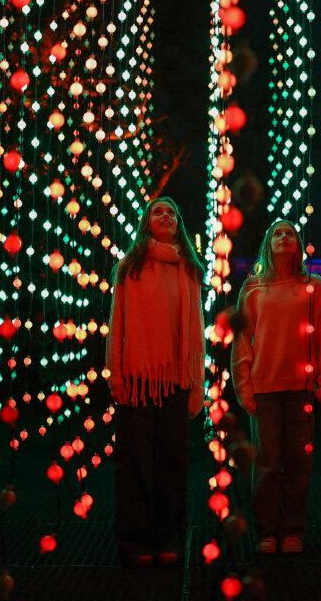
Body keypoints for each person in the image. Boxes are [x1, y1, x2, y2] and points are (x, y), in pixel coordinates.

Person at [105, 197, 205, 567]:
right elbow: (117, 324)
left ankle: (169, 539)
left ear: (179, 224)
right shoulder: (129, 267)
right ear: (146, 223)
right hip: (137, 381)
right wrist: (116, 374)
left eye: (171, 212)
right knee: (134, 463)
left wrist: (197, 384)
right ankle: (135, 542)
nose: (165, 216)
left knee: (172, 463)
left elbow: (196, 332)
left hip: (175, 380)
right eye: (157, 212)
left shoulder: (189, 269)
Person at [231, 220, 321, 554]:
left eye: (290, 233)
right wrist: (243, 386)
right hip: (265, 387)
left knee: (298, 462)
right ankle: (266, 531)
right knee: (267, 463)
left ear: (298, 245)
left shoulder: (312, 286)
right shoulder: (253, 288)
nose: (284, 236)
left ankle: (292, 530)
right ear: (268, 244)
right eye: (277, 232)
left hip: (301, 387)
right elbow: (242, 341)